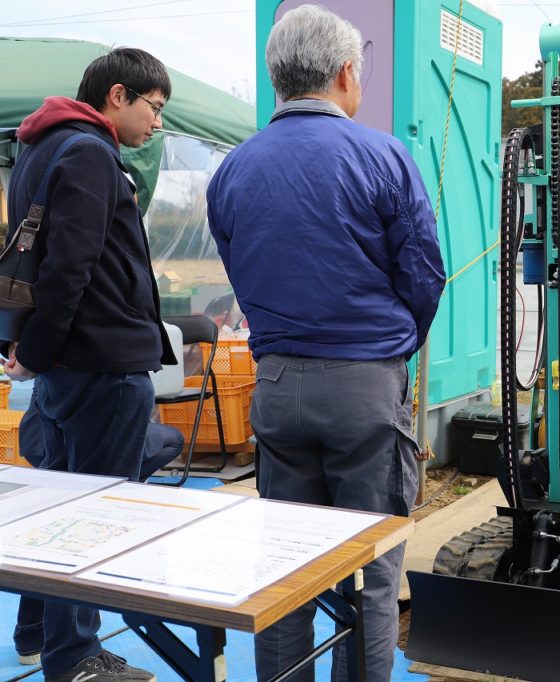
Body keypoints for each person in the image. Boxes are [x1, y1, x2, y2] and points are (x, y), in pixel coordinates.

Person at [205, 5, 445, 681]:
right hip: (365, 383)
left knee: (286, 568)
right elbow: (424, 275)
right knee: (369, 570)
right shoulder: (383, 155)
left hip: (277, 385)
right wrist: (393, 349)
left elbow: (242, 273)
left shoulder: (234, 170)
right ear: (345, 74)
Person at [3, 48, 176, 682]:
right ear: (119, 96)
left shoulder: (39, 147)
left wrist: (32, 351)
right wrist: (39, 351)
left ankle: (32, 632)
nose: (155, 124)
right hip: (100, 362)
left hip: (65, 365)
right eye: (154, 109)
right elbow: (68, 267)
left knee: (55, 509)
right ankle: (74, 658)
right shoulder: (92, 153)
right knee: (92, 517)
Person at [12, 394, 185, 666]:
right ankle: (72, 653)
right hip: (91, 421)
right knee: (79, 532)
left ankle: (35, 634)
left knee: (58, 530)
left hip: (58, 429)